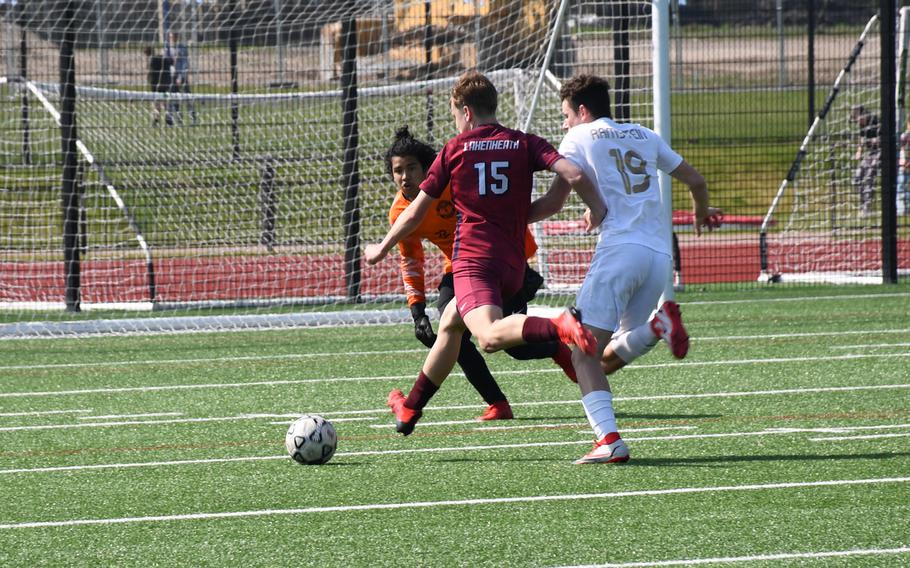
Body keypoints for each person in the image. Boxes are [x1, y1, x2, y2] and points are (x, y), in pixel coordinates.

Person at [364, 71, 606, 437]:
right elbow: (572, 176)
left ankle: (561, 326)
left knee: (490, 337)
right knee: (450, 323)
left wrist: (379, 249)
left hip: (474, 262)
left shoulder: (455, 149)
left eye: (454, 116)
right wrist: (596, 208)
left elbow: (413, 213)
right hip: (513, 262)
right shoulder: (524, 143)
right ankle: (410, 407)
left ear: (465, 112)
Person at [555, 75, 721, 464]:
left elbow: (568, 184)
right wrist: (700, 211)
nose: (564, 124)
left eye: (565, 115)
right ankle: (657, 326)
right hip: (659, 256)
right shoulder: (644, 134)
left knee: (581, 353)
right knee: (604, 359)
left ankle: (609, 440)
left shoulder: (579, 137)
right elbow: (695, 180)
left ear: (582, 111)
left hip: (620, 251)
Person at [383, 126, 578, 421]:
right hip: (462, 268)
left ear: (428, 168)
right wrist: (416, 310)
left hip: (500, 261)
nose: (405, 176)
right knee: (451, 330)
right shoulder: (399, 211)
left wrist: (522, 264)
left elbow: (499, 212)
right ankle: (497, 403)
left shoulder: (451, 184)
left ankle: (558, 348)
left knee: (513, 347)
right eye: (398, 171)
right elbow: (411, 261)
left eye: (412, 168)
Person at [851, 105, 880, 217]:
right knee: (857, 177)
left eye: (857, 118)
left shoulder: (876, 121)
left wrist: (875, 141)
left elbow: (882, 139)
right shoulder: (862, 126)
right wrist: (859, 151)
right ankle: (863, 205)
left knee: (869, 175)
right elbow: (862, 139)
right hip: (871, 154)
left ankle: (867, 207)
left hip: (881, 152)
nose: (857, 122)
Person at [166, 32, 197, 125]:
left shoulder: (182, 48)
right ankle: (176, 119)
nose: (173, 39)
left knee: (187, 97)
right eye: (171, 37)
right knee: (173, 98)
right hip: (172, 76)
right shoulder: (167, 49)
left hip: (181, 76)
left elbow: (185, 63)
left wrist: (180, 77)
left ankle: (193, 117)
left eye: (174, 37)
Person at [145, 45, 174, 127]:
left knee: (157, 103)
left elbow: (151, 72)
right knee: (164, 102)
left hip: (157, 84)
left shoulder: (153, 59)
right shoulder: (159, 58)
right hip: (163, 82)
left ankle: (158, 120)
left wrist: (149, 78)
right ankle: (166, 119)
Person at [898, 117, 910, 216]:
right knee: (901, 185)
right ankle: (901, 209)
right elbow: (902, 149)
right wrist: (903, 161)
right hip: (904, 165)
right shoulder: (905, 136)